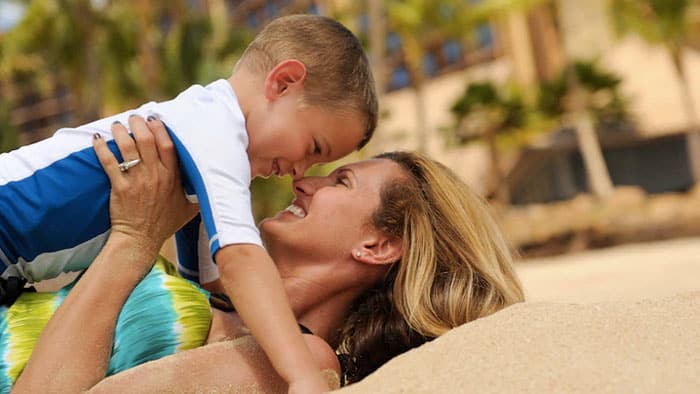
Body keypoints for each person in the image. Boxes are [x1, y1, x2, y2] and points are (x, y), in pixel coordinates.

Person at [0, 15, 377, 392]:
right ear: (283, 82)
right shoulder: (214, 128)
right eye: (314, 148)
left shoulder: (199, 151)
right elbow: (240, 260)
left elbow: (208, 284)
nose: (300, 173)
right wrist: (303, 374)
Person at [11, 117, 524, 392]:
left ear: (379, 245)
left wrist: (134, 241)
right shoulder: (221, 296)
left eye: (340, 180)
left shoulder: (304, 361)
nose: (304, 181)